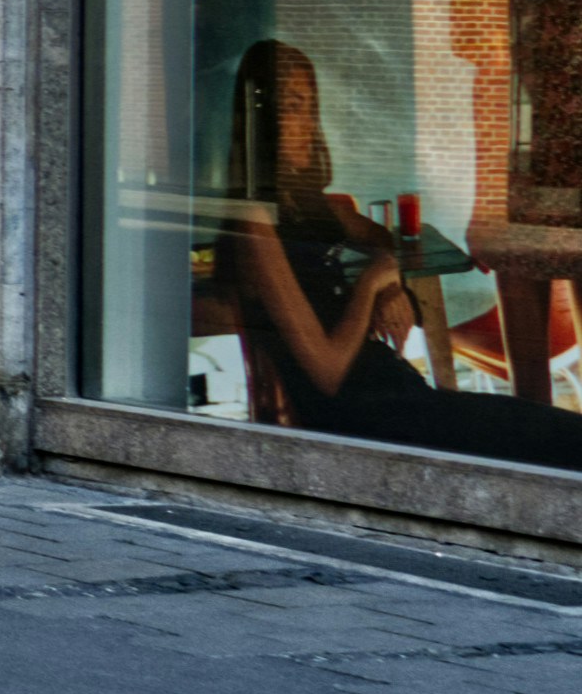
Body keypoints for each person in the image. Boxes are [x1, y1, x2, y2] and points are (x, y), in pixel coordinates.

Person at [212, 36, 582, 461]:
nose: (298, 122)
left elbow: (384, 241)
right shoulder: (255, 223)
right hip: (370, 419)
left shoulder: (318, 207)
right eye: (286, 105)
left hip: (402, 398)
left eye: (305, 105)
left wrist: (391, 286)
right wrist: (372, 285)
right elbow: (328, 373)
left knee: (552, 431)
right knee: (558, 441)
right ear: (256, 118)